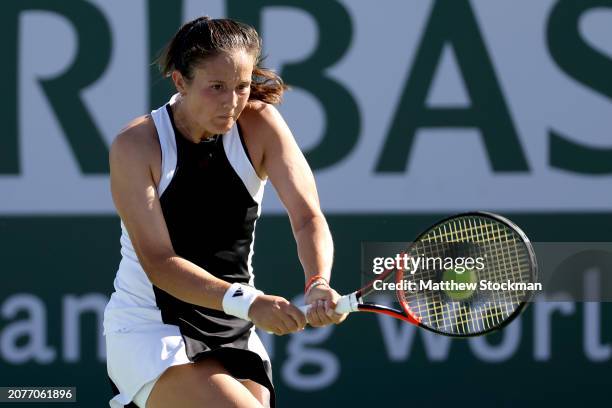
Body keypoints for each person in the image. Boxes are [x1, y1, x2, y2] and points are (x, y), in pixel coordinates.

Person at [103, 16, 346, 408]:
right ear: (180, 81)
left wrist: (318, 280)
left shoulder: (261, 125)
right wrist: (250, 302)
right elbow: (159, 262)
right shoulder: (137, 145)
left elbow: (307, 217)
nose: (232, 102)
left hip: (234, 326)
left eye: (242, 86)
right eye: (216, 87)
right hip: (153, 328)